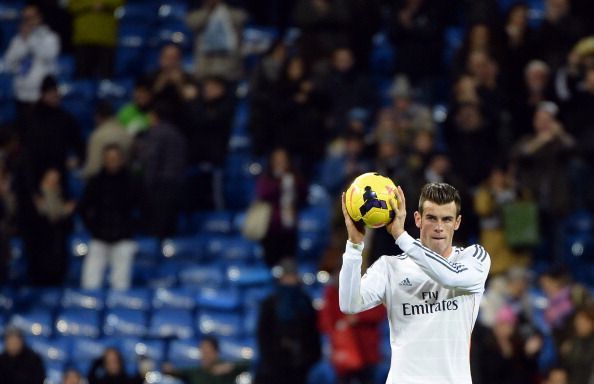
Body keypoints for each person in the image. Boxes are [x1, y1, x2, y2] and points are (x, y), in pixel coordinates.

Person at [339, 182, 491, 383]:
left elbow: (449, 277)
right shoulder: (389, 267)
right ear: (418, 219)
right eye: (431, 218)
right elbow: (349, 304)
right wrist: (354, 246)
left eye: (447, 219)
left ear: (457, 222)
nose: (439, 227)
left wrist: (401, 237)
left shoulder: (474, 258)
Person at [79, 144, 142, 290]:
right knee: (90, 283)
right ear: (104, 160)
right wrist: (92, 226)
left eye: (115, 158)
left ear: (121, 160)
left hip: (124, 238)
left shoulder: (131, 182)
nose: (112, 161)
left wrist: (133, 227)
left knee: (121, 283)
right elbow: (83, 208)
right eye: (109, 158)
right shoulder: (95, 182)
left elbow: (145, 209)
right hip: (99, 237)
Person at [256, 258, 321, 384]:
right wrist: (269, 358)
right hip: (276, 362)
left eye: (292, 275)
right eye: (286, 276)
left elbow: (313, 331)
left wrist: (311, 357)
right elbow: (263, 333)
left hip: (300, 361)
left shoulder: (304, 301)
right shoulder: (270, 303)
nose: (289, 279)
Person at [2, 4, 59, 118]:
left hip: (41, 96)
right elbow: (8, 63)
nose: (28, 21)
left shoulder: (50, 37)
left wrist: (30, 39)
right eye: (25, 18)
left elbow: (48, 55)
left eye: (31, 17)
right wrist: (23, 42)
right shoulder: (18, 40)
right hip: (21, 95)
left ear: (39, 17)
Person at [68, 0, 123, 78]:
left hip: (106, 38)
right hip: (83, 38)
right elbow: (71, 5)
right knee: (83, 79)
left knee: (105, 79)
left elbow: (119, 2)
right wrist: (91, 4)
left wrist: (104, 4)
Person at [164, 336, 249, 384]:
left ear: (216, 352)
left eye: (207, 352)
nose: (204, 355)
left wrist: (231, 367)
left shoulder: (225, 369)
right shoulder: (196, 371)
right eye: (202, 351)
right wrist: (169, 370)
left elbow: (250, 363)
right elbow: (175, 372)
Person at [82, 101, 133, 179]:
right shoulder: (126, 133)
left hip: (103, 184)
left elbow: (93, 168)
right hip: (125, 182)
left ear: (98, 117)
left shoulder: (98, 135)